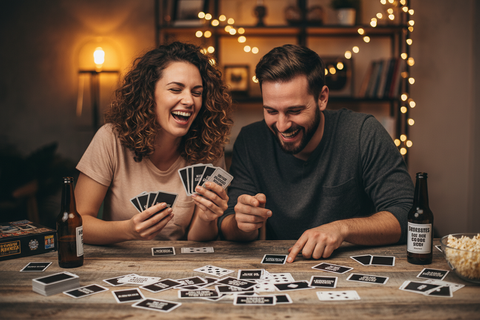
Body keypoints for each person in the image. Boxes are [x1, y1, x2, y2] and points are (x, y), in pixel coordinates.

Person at [219, 44, 414, 263]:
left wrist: (342, 229)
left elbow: (408, 214)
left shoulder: (363, 133)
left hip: (355, 268)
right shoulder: (250, 140)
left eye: (294, 111)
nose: (282, 125)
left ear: (322, 98)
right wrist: (241, 222)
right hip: (283, 270)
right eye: (271, 111)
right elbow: (227, 223)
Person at [75, 41, 233, 244]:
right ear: (149, 94)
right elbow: (78, 223)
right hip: (119, 266)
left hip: (179, 267)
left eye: (197, 92)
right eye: (176, 89)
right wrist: (128, 230)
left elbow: (198, 240)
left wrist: (206, 217)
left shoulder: (209, 147)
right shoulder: (110, 139)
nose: (189, 101)